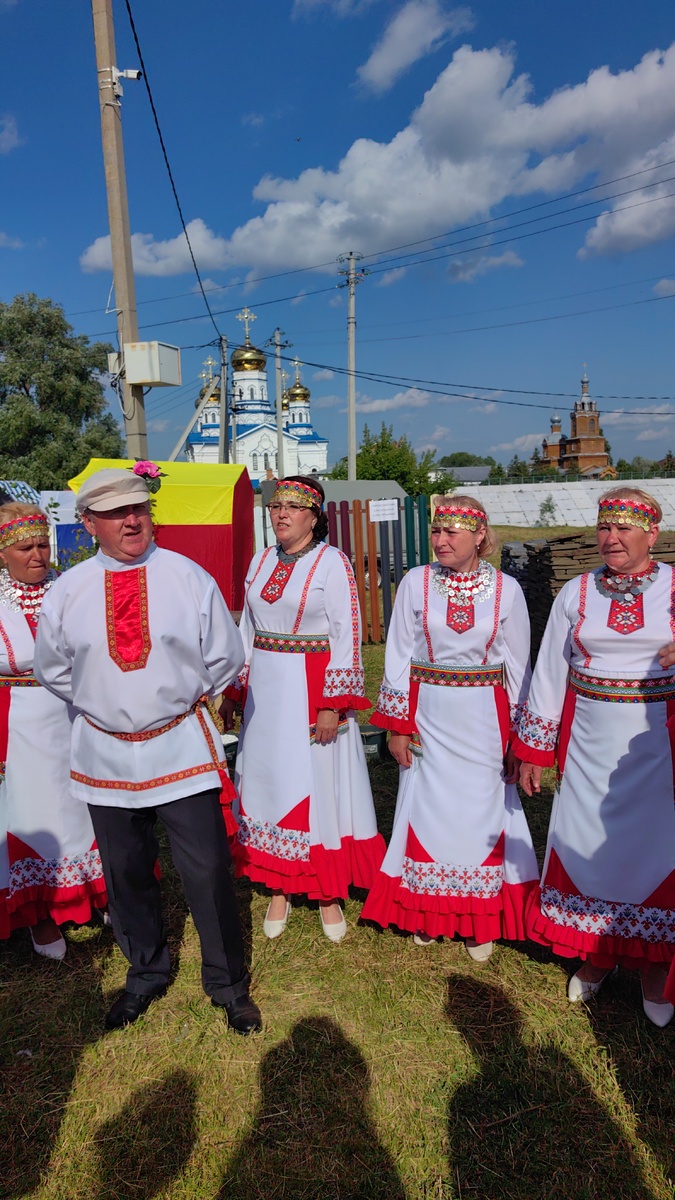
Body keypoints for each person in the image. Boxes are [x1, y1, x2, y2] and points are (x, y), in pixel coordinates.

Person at [34, 467, 261, 1034]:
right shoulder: (69, 589)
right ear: (89, 524)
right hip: (104, 750)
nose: (131, 520)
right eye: (114, 514)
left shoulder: (188, 577)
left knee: (206, 868)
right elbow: (52, 668)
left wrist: (170, 701)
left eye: (138, 509)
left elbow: (225, 656)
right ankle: (146, 973)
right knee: (126, 870)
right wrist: (106, 705)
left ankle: (228, 984)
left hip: (178, 744)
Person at [515, 487, 675, 1027]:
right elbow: (549, 672)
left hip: (658, 748)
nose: (611, 538)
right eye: (605, 527)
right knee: (589, 845)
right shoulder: (578, 593)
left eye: (625, 528)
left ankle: (656, 966)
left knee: (656, 851)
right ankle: (599, 952)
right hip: (587, 744)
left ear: (651, 533)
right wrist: (534, 748)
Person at [361, 495, 538, 956]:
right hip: (428, 713)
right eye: (436, 531)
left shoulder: (507, 590)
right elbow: (398, 656)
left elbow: (519, 667)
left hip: (484, 716)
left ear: (479, 536)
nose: (439, 540)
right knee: (428, 804)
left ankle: (480, 911)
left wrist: (521, 738)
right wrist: (397, 725)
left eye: (450, 532)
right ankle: (427, 906)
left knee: (481, 806)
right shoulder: (416, 583)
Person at [222, 475, 385, 942]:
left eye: (293, 507)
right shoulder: (259, 561)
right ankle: (279, 884)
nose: (282, 515)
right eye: (276, 507)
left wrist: (332, 704)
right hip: (265, 693)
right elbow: (247, 634)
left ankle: (326, 892)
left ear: (315, 516)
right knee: (268, 777)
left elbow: (346, 635)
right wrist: (236, 691)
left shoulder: (333, 563)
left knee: (316, 781)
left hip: (311, 687)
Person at [0, 502, 106, 957]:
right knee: (30, 813)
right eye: (25, 547)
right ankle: (39, 913)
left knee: (82, 807)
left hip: (74, 714)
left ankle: (94, 893)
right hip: (18, 721)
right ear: (2, 553)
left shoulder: (69, 589)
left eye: (43, 544)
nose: (38, 555)